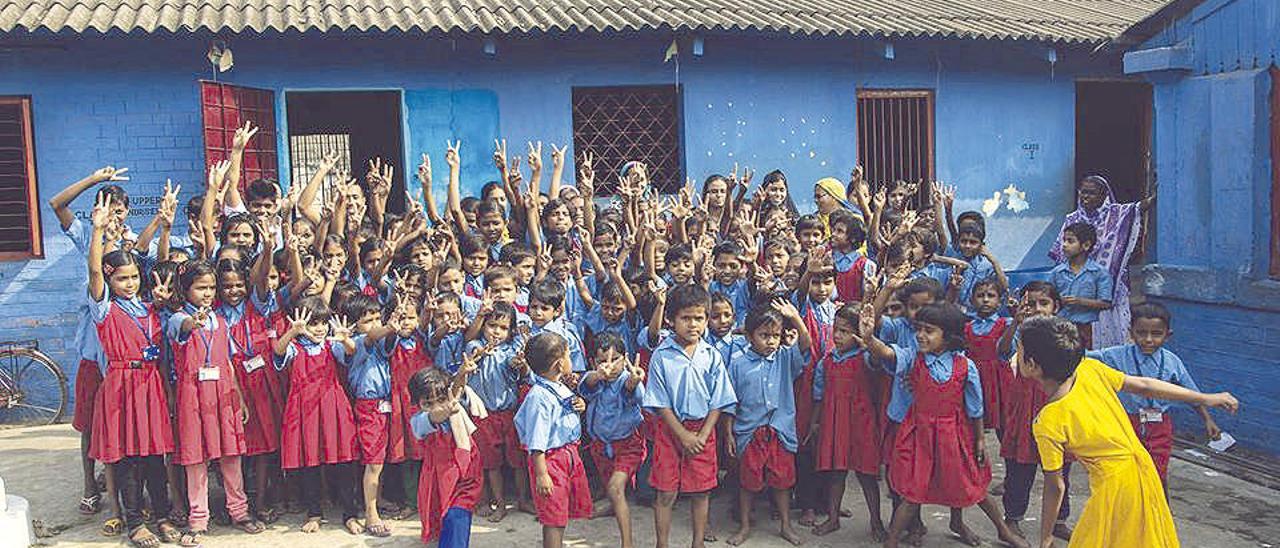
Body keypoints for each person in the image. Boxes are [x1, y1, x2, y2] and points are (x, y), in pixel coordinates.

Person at [1017, 316, 1237, 547]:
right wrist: (1207, 397)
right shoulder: (1090, 369)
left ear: (1032, 365)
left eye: (1019, 350)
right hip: (1143, 470)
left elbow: (1056, 486)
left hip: (1114, 488)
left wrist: (1045, 537)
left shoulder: (1047, 421)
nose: (1016, 356)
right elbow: (1146, 385)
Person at [864, 302, 1028, 548]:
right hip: (919, 436)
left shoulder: (965, 365)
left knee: (973, 487)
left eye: (929, 330)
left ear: (948, 336)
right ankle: (892, 541)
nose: (920, 335)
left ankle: (1003, 530)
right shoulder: (913, 357)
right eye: (918, 329)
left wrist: (980, 440)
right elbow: (887, 353)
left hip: (954, 436)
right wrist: (868, 338)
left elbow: (975, 407)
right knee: (912, 493)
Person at [85, 192, 179, 548]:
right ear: (110, 281)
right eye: (122, 279)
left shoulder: (148, 307)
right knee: (127, 460)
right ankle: (135, 523)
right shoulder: (105, 310)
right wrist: (97, 231)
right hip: (122, 387)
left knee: (155, 456)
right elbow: (95, 269)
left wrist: (163, 226)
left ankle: (163, 516)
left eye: (134, 277)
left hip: (150, 383)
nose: (130, 283)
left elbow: (163, 265)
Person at [167, 260, 262, 545]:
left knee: (231, 456)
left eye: (211, 287)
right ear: (185, 291)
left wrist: (240, 398)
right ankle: (198, 519)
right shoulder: (178, 318)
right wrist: (191, 322)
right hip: (193, 397)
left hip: (222, 396)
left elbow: (229, 364)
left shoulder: (220, 321)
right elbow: (183, 329)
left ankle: (239, 511)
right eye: (200, 288)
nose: (207, 293)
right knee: (196, 460)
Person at [1087, 302, 1224, 485]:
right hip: (1125, 422)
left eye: (1157, 334)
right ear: (1131, 332)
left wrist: (1208, 420)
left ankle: (1157, 510)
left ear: (1168, 335)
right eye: (1141, 333)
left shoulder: (1172, 362)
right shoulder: (1115, 355)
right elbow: (1083, 356)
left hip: (1159, 424)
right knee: (1125, 474)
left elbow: (1191, 393)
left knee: (1157, 475)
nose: (1149, 340)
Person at [643, 284, 737, 548]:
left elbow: (719, 399)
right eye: (686, 318)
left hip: (702, 430)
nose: (693, 325)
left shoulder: (711, 356)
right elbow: (659, 402)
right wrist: (682, 434)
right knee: (665, 491)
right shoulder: (661, 356)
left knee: (701, 490)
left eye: (699, 318)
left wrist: (704, 434)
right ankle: (662, 543)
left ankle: (698, 542)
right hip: (670, 429)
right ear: (671, 320)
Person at [723, 300, 811, 546]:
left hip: (779, 430)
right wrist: (728, 433)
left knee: (783, 481)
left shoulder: (785, 356)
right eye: (764, 335)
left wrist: (795, 318)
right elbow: (730, 402)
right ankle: (745, 526)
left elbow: (806, 346)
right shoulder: (738, 362)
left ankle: (785, 525)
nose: (771, 341)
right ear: (749, 336)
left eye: (775, 335)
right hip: (749, 432)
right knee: (747, 482)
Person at [273, 297, 363, 534]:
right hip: (304, 410)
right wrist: (292, 331)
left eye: (323, 323)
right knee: (309, 461)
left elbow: (351, 351)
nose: (320, 328)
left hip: (333, 406)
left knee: (344, 460)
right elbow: (278, 350)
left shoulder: (331, 345)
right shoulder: (295, 347)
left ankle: (350, 513)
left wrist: (345, 339)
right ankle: (314, 513)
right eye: (313, 323)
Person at [1049, 174, 1155, 349]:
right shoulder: (1072, 219)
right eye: (1083, 192)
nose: (1085, 197)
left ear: (1103, 194)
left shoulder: (1117, 214)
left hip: (1107, 284)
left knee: (1109, 332)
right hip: (1076, 284)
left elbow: (1137, 208)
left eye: (1091, 193)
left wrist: (1154, 197)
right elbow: (1060, 253)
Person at [811, 303, 885, 540]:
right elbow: (819, 395)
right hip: (834, 423)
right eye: (836, 330)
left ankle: (876, 522)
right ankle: (833, 518)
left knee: (867, 475)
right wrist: (815, 423)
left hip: (862, 423)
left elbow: (878, 364)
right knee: (836, 473)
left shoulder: (866, 358)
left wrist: (868, 342)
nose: (838, 336)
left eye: (845, 331)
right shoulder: (827, 361)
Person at [514, 332, 593, 548]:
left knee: (560, 513)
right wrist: (541, 475)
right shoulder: (539, 397)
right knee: (553, 519)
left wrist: (580, 406)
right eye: (569, 356)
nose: (571, 360)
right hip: (550, 462)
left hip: (567, 456)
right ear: (559, 364)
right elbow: (536, 442)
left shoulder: (557, 386)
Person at [579, 332, 648, 548]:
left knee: (616, 487)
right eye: (601, 361)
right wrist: (597, 375)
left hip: (628, 444)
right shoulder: (595, 378)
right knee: (610, 485)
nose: (609, 366)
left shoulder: (626, 380)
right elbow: (586, 384)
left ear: (625, 358)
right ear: (593, 362)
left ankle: (627, 543)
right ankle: (612, 507)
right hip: (600, 445)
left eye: (615, 359)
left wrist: (634, 380)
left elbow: (633, 392)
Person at [409, 355, 484, 546]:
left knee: (457, 516)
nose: (436, 406)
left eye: (440, 399)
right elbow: (437, 415)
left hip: (466, 475)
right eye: (428, 403)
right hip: (439, 479)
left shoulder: (456, 407)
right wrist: (445, 410)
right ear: (417, 404)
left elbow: (455, 390)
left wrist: (461, 374)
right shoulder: (419, 421)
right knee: (443, 519)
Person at [1050, 222, 1113, 350]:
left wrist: (1080, 301)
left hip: (1087, 328)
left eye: (1070, 241)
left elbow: (1106, 303)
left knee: (1084, 360)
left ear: (1086, 245)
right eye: (1064, 240)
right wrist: (1058, 301)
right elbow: (1049, 297)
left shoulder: (1099, 272)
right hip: (1060, 326)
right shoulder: (1057, 272)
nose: (1064, 245)